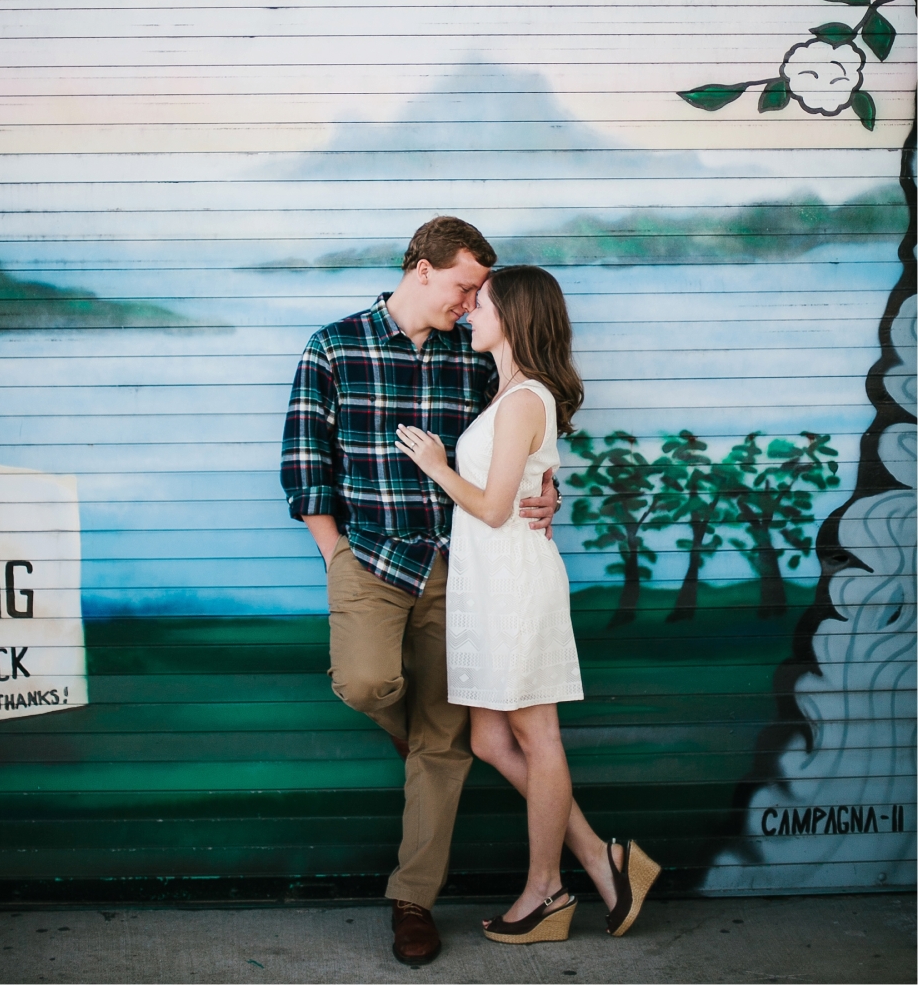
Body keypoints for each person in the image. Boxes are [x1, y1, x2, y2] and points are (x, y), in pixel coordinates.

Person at [280, 217, 560, 967]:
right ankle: (412, 734)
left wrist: (548, 485)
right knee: (367, 684)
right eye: (465, 287)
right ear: (422, 269)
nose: (471, 305)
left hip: (459, 570)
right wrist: (338, 559)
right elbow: (306, 469)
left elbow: (518, 427)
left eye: (479, 295)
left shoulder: (471, 358)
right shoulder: (333, 346)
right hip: (368, 559)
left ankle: (413, 901)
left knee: (445, 743)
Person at [396, 265, 661, 944]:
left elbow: (489, 508)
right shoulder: (509, 393)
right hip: (487, 586)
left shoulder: (524, 399)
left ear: (512, 316)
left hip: (512, 582)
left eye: (480, 303)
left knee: (537, 735)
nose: (471, 312)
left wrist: (435, 466)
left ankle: (546, 890)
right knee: (489, 739)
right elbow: (516, 491)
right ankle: (602, 858)